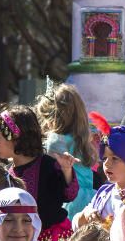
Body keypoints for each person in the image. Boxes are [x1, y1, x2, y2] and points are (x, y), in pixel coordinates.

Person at [0, 104, 78, 241]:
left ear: (15, 137)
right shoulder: (6, 172)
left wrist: (66, 170)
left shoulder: (49, 165)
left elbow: (69, 195)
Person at [73, 119, 125, 230]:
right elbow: (76, 224)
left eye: (115, 158)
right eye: (105, 158)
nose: (106, 163)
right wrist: (86, 214)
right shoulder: (104, 193)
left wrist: (103, 226)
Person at [35, 81, 99, 221]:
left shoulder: (56, 140)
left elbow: (54, 177)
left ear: (55, 117)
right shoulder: (83, 137)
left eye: (47, 117)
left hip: (70, 201)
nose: (46, 124)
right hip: (91, 200)